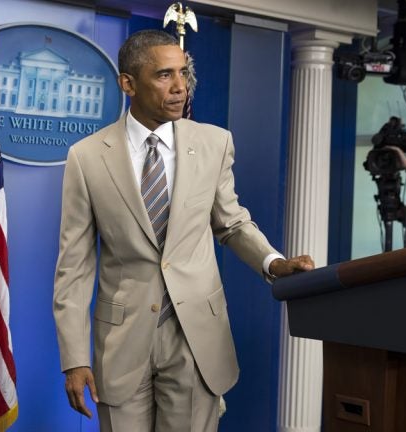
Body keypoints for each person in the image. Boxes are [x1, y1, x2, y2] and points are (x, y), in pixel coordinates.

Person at [52, 29, 314, 431]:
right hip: (121, 344)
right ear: (128, 83)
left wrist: (274, 263)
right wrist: (74, 358)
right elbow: (75, 266)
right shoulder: (86, 157)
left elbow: (232, 223)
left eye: (183, 74)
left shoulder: (214, 143)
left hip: (197, 339)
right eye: (163, 75)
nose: (179, 88)